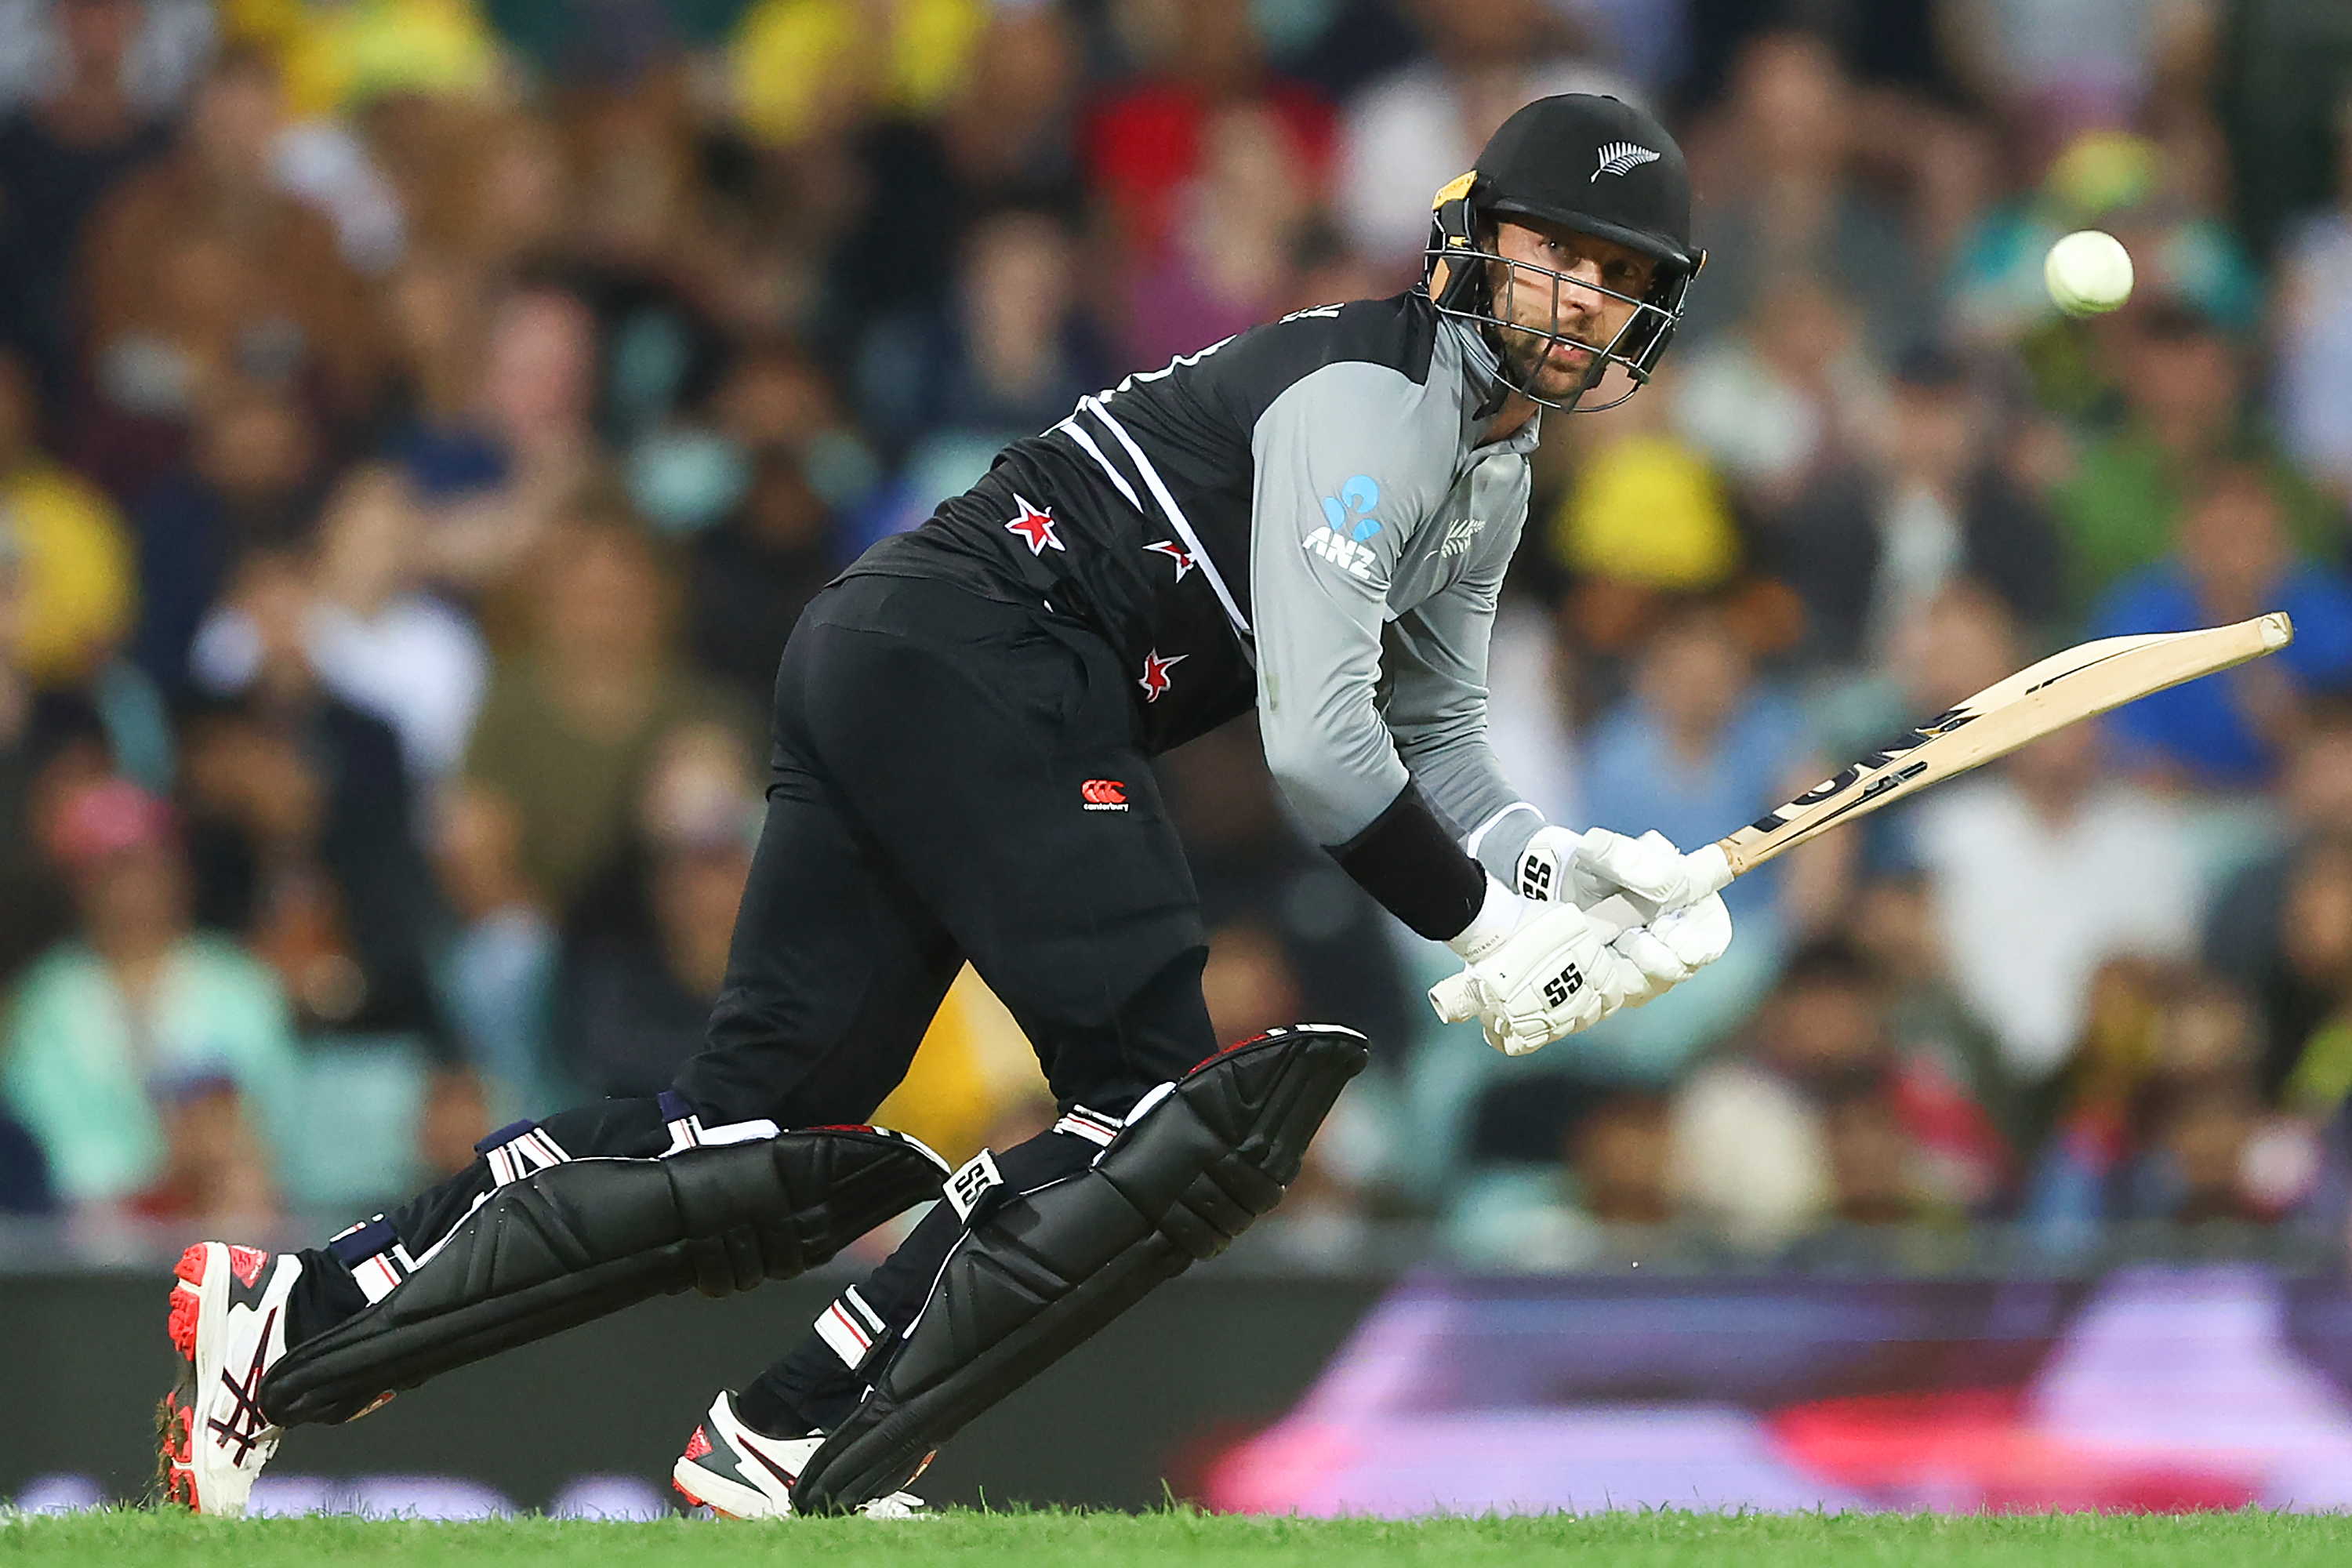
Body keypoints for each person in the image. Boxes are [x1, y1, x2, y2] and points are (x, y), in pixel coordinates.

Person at [158, 94, 1735, 1520]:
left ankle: (291, 1316)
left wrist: (1557, 865)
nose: (1581, 297)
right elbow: (1321, 753)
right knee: (1161, 1110)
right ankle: (802, 1435)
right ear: (1474, 242)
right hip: (996, 654)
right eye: (1557, 253)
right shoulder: (1379, 406)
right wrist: (1482, 925)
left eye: (1617, 275)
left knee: (760, 1131)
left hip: (906, 649)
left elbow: (1433, 725)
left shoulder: (1492, 464)